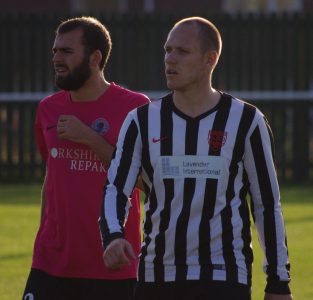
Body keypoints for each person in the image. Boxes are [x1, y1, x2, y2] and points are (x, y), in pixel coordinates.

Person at [99, 16, 293, 300]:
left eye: (182, 51)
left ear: (210, 59)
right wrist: (113, 236)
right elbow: (116, 187)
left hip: (224, 276)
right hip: (156, 274)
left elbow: (266, 204)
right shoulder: (141, 120)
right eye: (168, 50)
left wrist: (278, 281)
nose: (170, 59)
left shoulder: (246, 120)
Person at [22, 16, 149, 300]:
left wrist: (91, 139)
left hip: (113, 262)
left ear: (95, 58)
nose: (56, 58)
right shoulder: (47, 109)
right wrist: (44, 238)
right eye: (55, 50)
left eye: (66, 51)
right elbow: (52, 178)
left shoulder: (135, 108)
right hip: (51, 263)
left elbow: (145, 183)